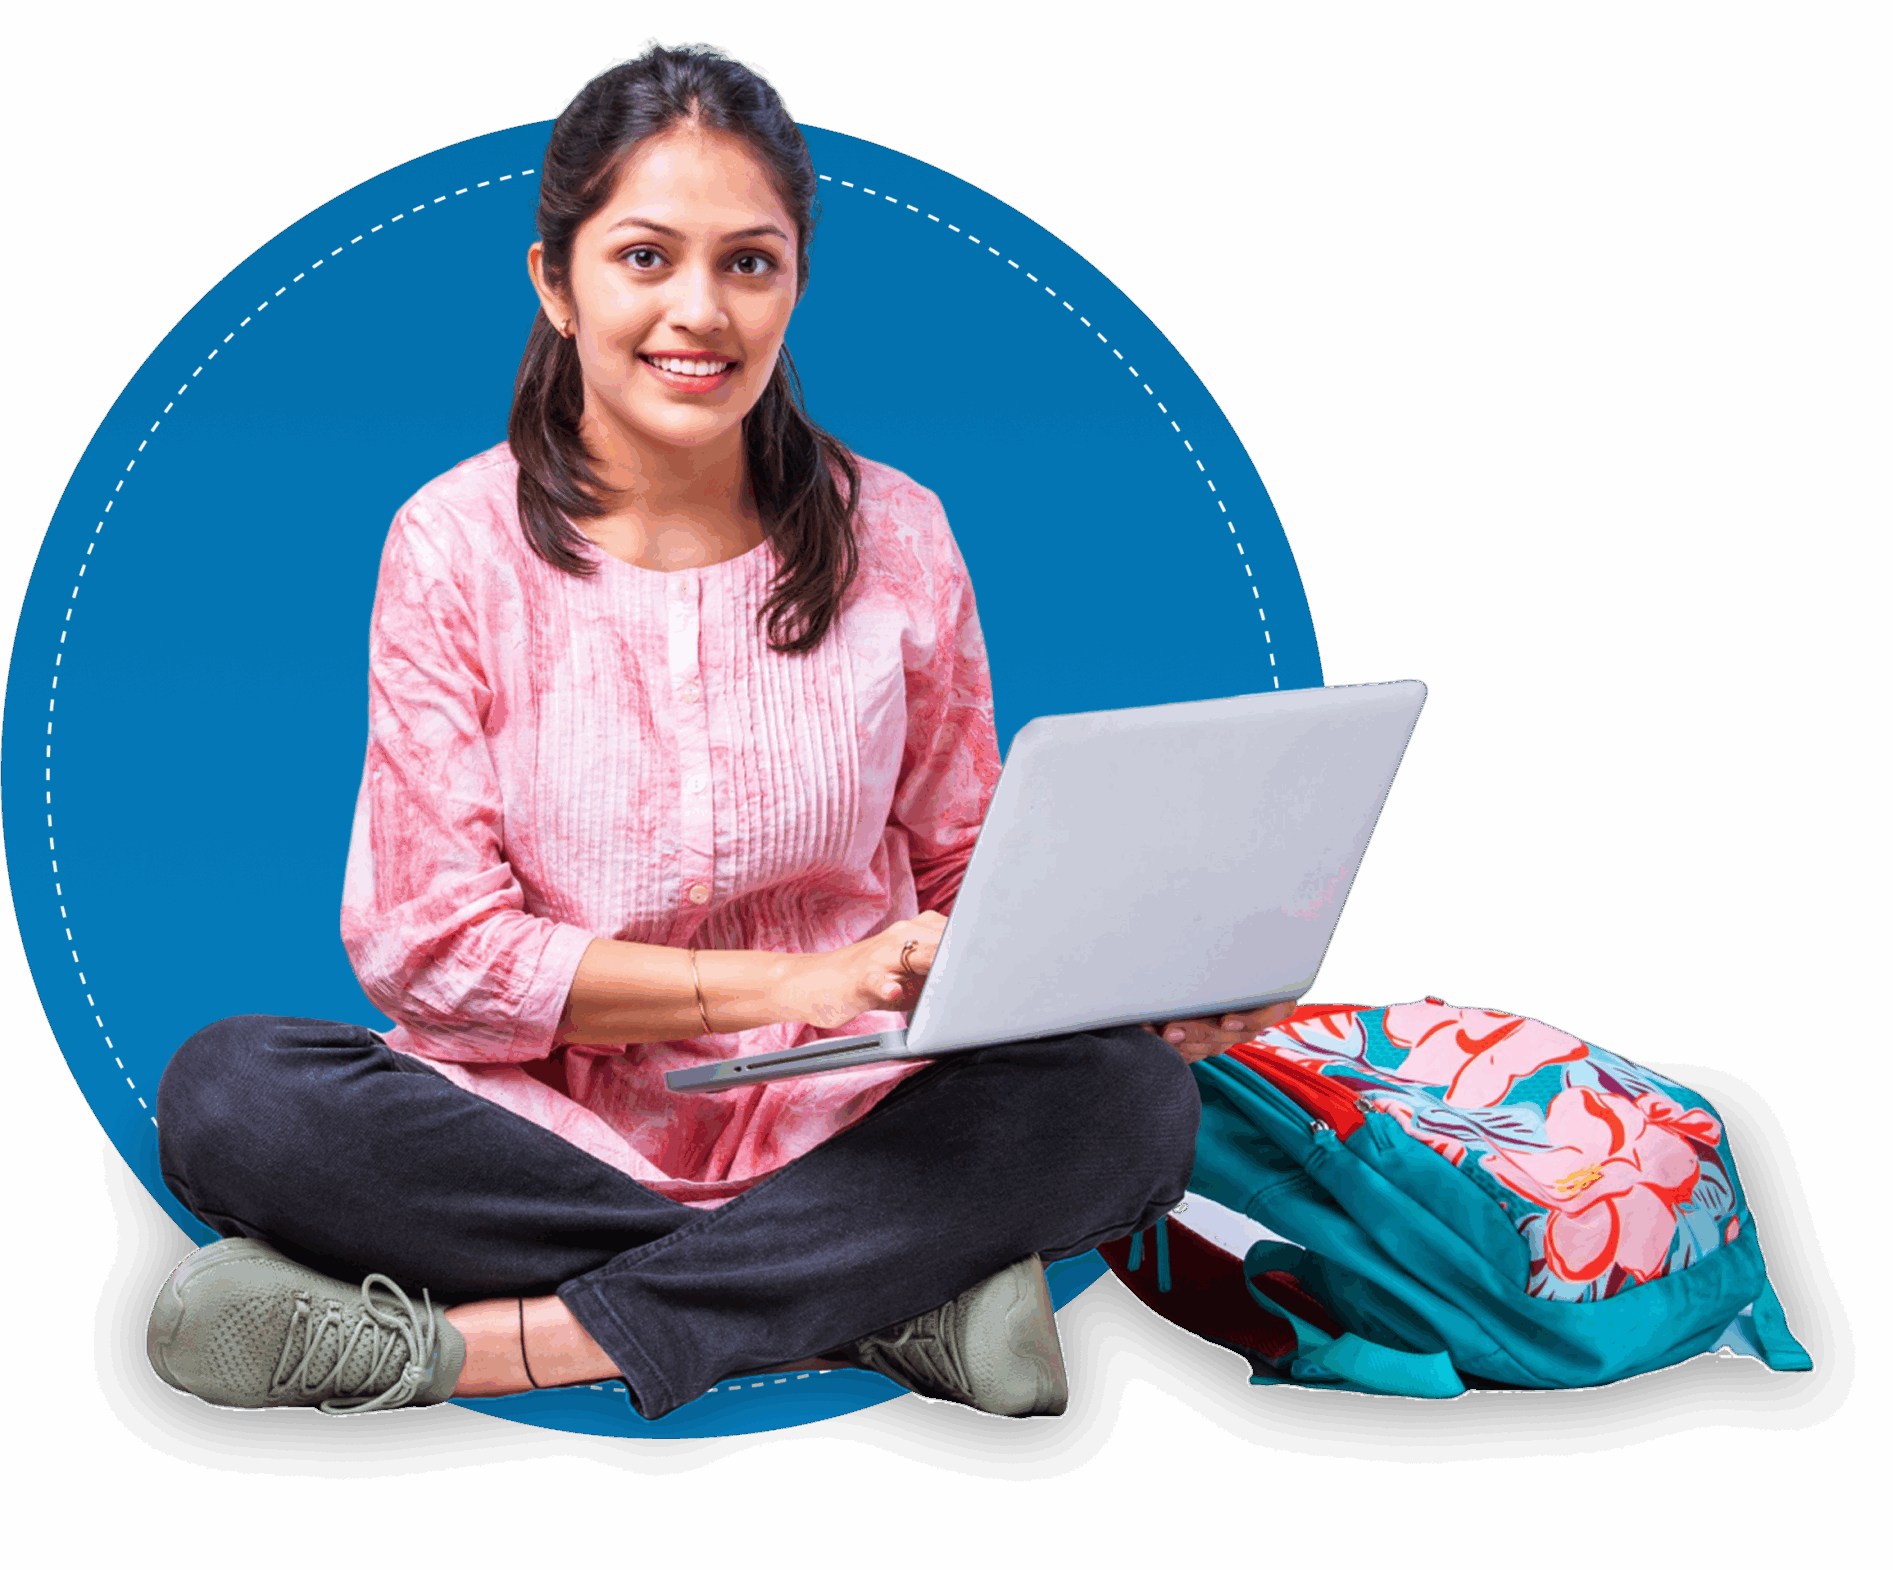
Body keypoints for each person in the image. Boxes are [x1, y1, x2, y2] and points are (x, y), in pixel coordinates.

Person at [145, 44, 1296, 1423]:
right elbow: (432, 946)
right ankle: (882, 1297)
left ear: (797, 280)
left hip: (856, 1109)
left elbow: (967, 874)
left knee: (1131, 1101)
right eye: (645, 257)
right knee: (232, 1096)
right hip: (536, 1127)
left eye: (748, 262)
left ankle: (484, 1348)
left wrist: (1147, 977)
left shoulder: (904, 537)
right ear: (553, 282)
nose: (699, 311)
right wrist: (785, 990)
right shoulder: (450, 545)